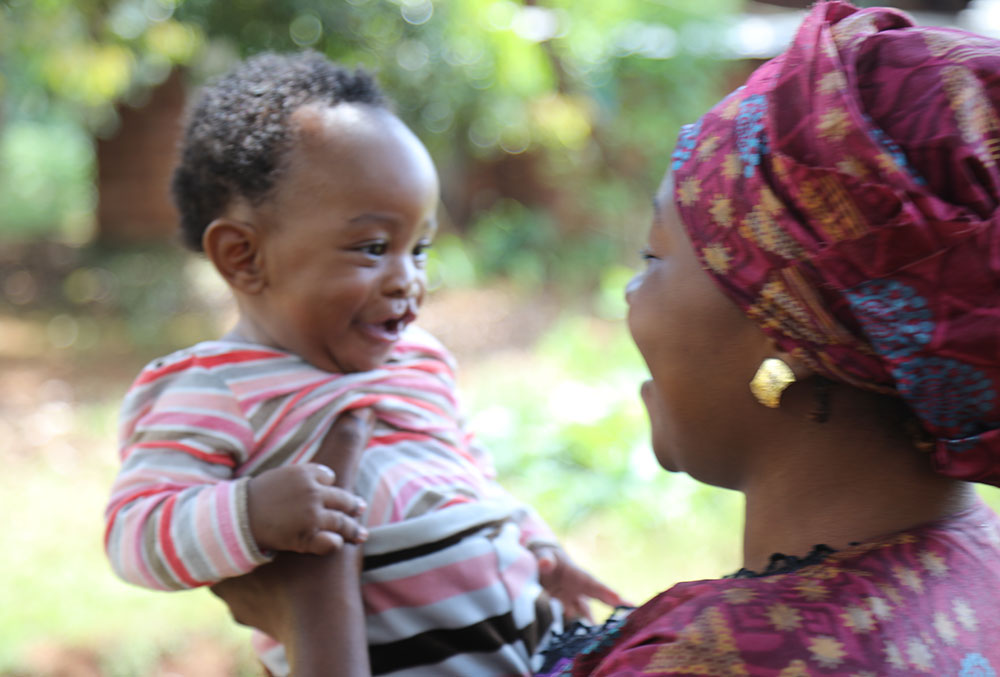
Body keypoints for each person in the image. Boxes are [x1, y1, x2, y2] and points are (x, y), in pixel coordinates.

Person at [213, 3, 1000, 675]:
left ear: (790, 329)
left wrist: (313, 606)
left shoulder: (717, 658)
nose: (629, 290)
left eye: (656, 255)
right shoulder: (974, 568)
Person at [102, 51, 622, 677]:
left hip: (531, 639)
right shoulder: (214, 386)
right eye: (373, 248)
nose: (408, 279)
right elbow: (134, 532)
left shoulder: (420, 361)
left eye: (420, 248)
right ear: (243, 257)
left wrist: (540, 548)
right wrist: (250, 513)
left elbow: (468, 472)